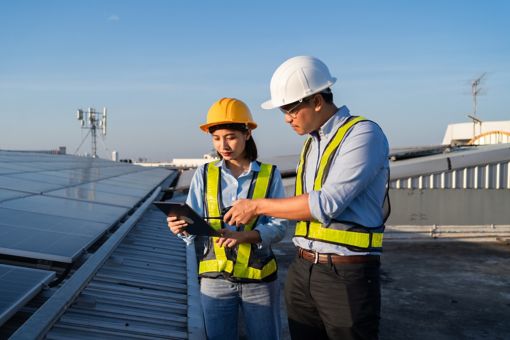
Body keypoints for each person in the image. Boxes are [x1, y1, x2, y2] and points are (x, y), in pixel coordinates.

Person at [223, 56, 390, 340]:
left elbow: (325, 203)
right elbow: (301, 204)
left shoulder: (362, 134)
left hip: (346, 274)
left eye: (290, 109)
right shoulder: (311, 145)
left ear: (315, 100)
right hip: (303, 270)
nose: (286, 118)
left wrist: (257, 206)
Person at [167, 97, 286, 340]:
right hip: (215, 280)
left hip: (259, 280)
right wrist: (180, 228)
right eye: (217, 138)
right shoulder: (204, 174)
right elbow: (193, 224)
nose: (224, 145)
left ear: (247, 133)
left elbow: (279, 227)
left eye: (230, 136)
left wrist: (244, 236)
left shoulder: (269, 175)